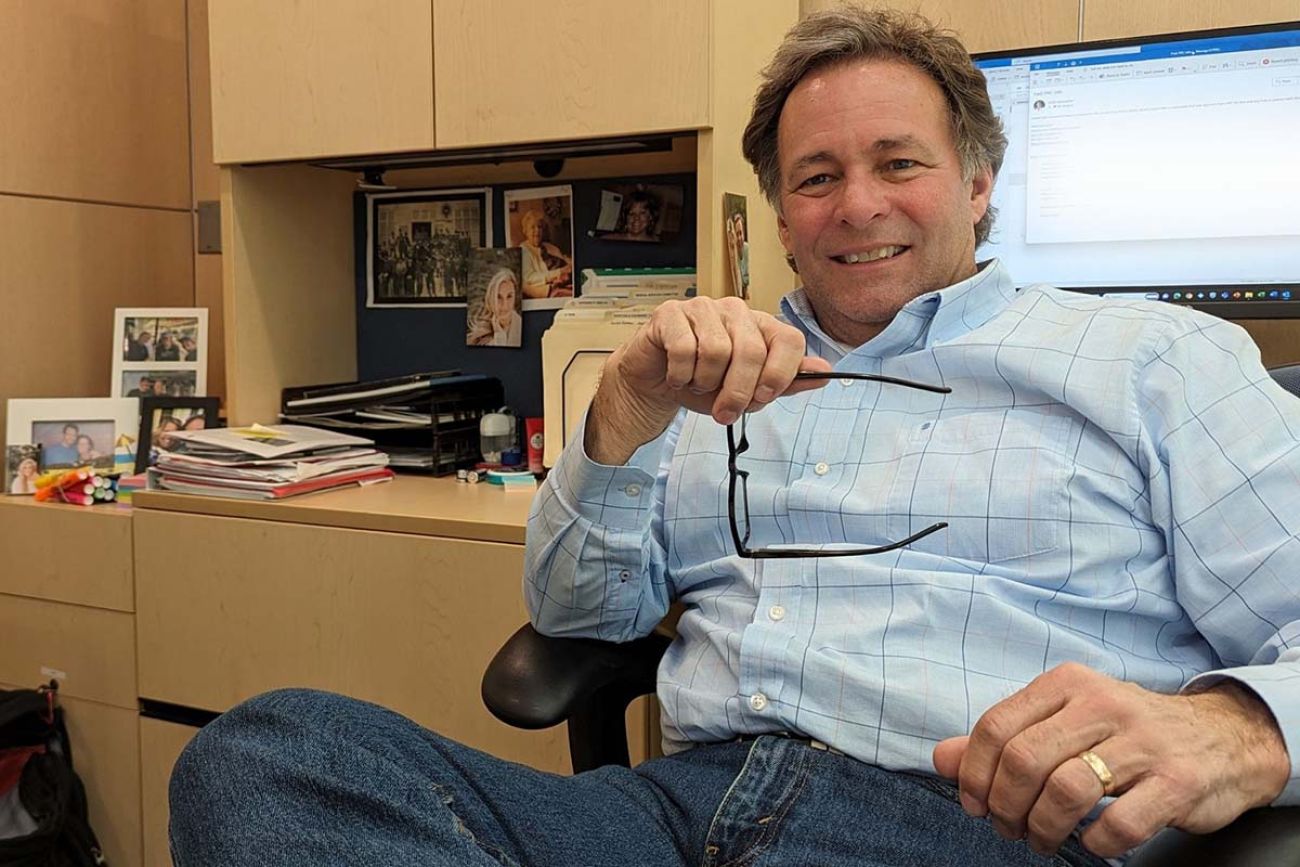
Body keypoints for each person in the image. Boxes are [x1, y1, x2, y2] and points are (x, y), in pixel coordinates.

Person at [168, 10, 1299, 867]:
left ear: (979, 181)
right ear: (781, 211)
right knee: (269, 754)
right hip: (677, 811)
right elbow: (579, 621)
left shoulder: (1153, 361)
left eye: (897, 163)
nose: (857, 205)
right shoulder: (715, 371)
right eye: (817, 178)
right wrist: (627, 413)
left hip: (976, 825)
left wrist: (1235, 733)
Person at [518, 208, 573, 299]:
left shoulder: (550, 247)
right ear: (525, 231)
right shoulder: (523, 250)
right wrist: (559, 272)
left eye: (540, 227)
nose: (537, 230)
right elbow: (530, 278)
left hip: (566, 280)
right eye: (533, 227)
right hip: (551, 288)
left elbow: (565, 261)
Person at [467, 269, 523, 347]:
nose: (505, 305)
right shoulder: (479, 336)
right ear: (491, 298)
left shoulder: (521, 328)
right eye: (499, 297)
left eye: (509, 296)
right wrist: (499, 335)